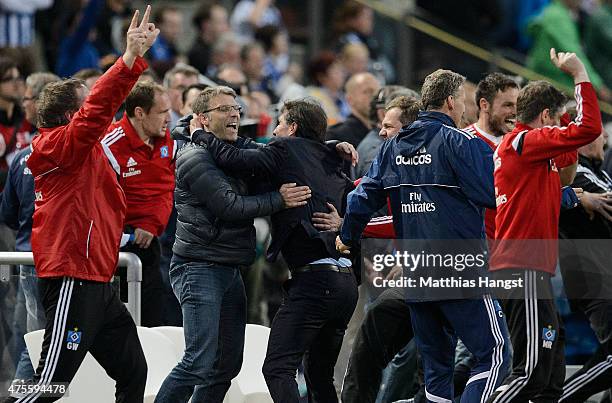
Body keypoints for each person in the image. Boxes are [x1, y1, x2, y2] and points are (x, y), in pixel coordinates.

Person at [2, 6, 159, 402]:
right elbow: (99, 108)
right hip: (74, 275)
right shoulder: (60, 145)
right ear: (73, 115)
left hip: (97, 279)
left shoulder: (83, 150)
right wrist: (128, 60)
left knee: (133, 371)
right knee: (48, 386)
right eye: (86, 103)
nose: (99, 109)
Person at [337, 68, 511, 403]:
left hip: (416, 273)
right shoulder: (460, 142)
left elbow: (361, 198)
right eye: (461, 101)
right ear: (449, 101)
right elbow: (493, 195)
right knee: (496, 355)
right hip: (460, 268)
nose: (464, 109)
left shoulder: (393, 147)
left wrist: (347, 236)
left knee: (436, 373)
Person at [190, 98, 359, 402]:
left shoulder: (284, 150)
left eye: (280, 123)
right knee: (319, 375)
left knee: (278, 368)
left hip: (315, 281)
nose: (275, 131)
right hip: (346, 284)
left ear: (292, 128)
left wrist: (200, 135)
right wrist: (335, 142)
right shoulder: (335, 157)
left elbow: (233, 157)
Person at [154, 86, 311, 403]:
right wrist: (278, 200)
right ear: (202, 120)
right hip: (198, 267)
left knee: (225, 365)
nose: (234, 114)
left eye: (236, 108)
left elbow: (275, 152)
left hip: (228, 269)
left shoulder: (236, 150)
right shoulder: (193, 156)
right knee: (198, 361)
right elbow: (229, 205)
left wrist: (331, 146)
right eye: (224, 109)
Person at [488, 49, 603, 403]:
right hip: (520, 270)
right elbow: (589, 129)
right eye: (555, 120)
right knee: (530, 374)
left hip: (531, 272)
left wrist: (563, 111)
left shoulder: (534, 152)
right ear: (543, 118)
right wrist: (580, 73)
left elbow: (570, 155)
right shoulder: (523, 143)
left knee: (551, 377)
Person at [0, 72, 59, 383]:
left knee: (32, 338)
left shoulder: (23, 157)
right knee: (40, 343)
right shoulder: (70, 157)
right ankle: (22, 394)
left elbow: (7, 213)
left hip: (28, 258)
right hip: (50, 263)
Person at [100, 81, 175, 327]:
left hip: (150, 242)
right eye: (162, 112)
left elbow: (166, 190)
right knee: (114, 326)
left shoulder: (168, 144)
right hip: (113, 246)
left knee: (153, 321)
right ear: (140, 113)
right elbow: (102, 200)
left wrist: (152, 225)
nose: (169, 118)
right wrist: (126, 232)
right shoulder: (109, 145)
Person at [558, 127, 612, 402]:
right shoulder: (579, 173)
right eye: (597, 133)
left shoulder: (598, 172)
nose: (604, 139)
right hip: (596, 279)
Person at [463, 72, 519, 239]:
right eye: (508, 105)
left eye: (517, 106)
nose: (514, 112)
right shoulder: (461, 144)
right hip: (477, 250)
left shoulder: (521, 143)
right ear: (484, 105)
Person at [326, 72, 380, 147]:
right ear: (350, 99)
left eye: (378, 92)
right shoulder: (336, 136)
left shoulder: (385, 133)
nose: (375, 96)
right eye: (367, 92)